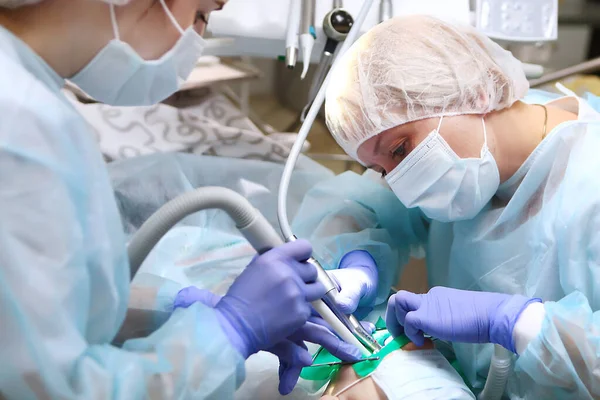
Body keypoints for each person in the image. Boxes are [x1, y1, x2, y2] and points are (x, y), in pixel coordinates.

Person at [0, 0, 361, 398]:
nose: (198, 38)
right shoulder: (19, 129)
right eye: (202, 13)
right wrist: (228, 332)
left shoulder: (28, 101)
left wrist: (181, 305)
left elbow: (47, 310)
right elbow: (50, 389)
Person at [309, 14, 600, 399]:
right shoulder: (468, 144)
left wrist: (518, 323)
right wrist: (354, 261)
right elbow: (362, 207)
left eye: (400, 150)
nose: (401, 185)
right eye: (381, 169)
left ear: (476, 91)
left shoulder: (588, 182)